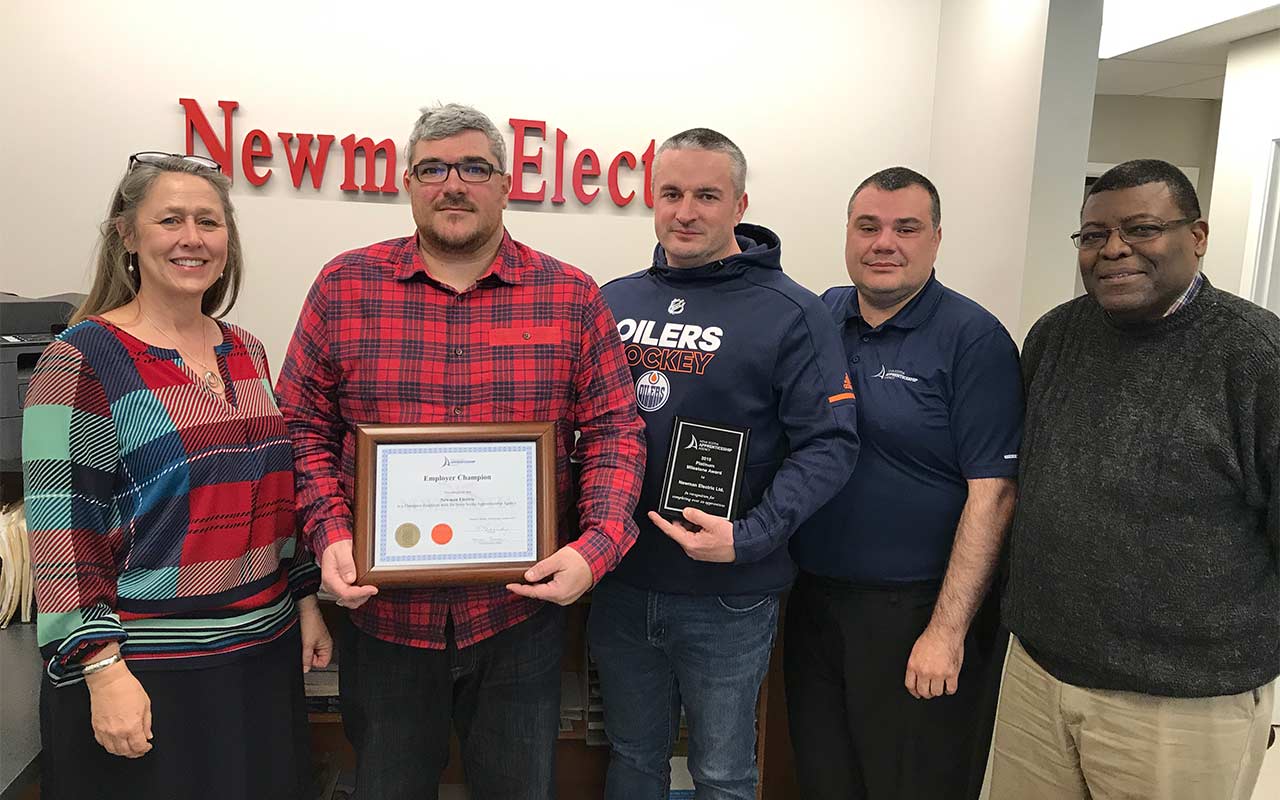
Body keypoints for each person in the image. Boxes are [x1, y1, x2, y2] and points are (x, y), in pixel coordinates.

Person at [275, 103, 646, 800]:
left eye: (474, 167)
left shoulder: (570, 295)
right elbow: (300, 428)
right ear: (408, 183)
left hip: (518, 618)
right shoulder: (343, 286)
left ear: (507, 184)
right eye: (434, 168)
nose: (454, 184)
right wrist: (327, 533)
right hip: (382, 621)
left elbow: (614, 432)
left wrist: (594, 548)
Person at [21, 152, 330, 800]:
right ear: (128, 235)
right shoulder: (80, 359)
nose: (193, 238)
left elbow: (273, 500)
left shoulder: (244, 349)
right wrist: (102, 671)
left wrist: (304, 600)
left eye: (209, 222)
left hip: (260, 659)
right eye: (170, 220)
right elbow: (60, 535)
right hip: (147, 674)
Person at [990, 159, 1279, 800]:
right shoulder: (1056, 336)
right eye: (1093, 235)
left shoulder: (1255, 358)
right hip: (1040, 675)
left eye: (1141, 229)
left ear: (1196, 236)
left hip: (1182, 702)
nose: (1114, 249)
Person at [590, 128, 860, 799]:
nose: (687, 211)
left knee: (723, 771)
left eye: (707, 195)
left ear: (740, 205)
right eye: (672, 193)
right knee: (631, 756)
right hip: (620, 582)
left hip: (728, 598)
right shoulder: (614, 301)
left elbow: (831, 443)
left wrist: (751, 535)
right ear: (651, 200)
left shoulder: (793, 313)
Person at [785, 167, 1022, 800]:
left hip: (915, 612)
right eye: (868, 226)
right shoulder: (820, 315)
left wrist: (946, 633)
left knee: (910, 784)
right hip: (814, 604)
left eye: (906, 228)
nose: (884, 242)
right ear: (848, 235)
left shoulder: (974, 340)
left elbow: (994, 494)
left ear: (936, 240)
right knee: (824, 778)